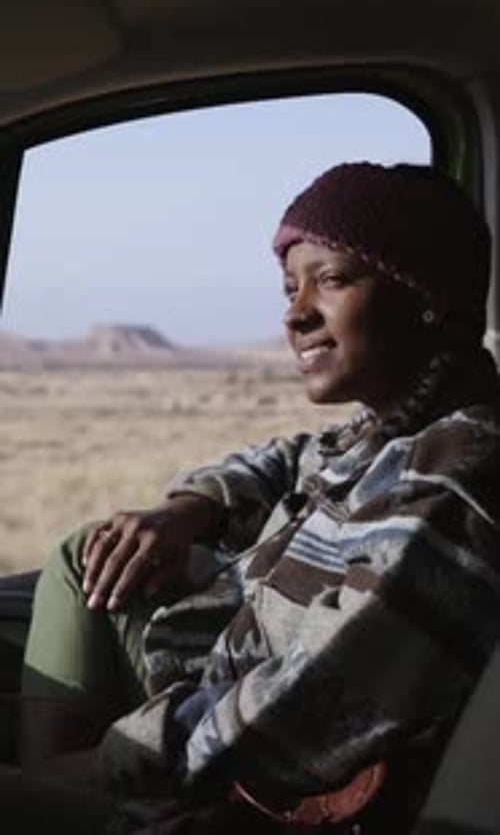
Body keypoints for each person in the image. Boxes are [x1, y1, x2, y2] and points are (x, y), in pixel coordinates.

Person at [18, 162, 500, 833]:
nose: (296, 314)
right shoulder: (387, 432)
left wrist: (114, 759)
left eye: (331, 280)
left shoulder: (453, 478)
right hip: (224, 672)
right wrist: (193, 507)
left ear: (428, 296)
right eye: (289, 287)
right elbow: (289, 459)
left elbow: (306, 714)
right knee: (89, 553)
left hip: (254, 777)